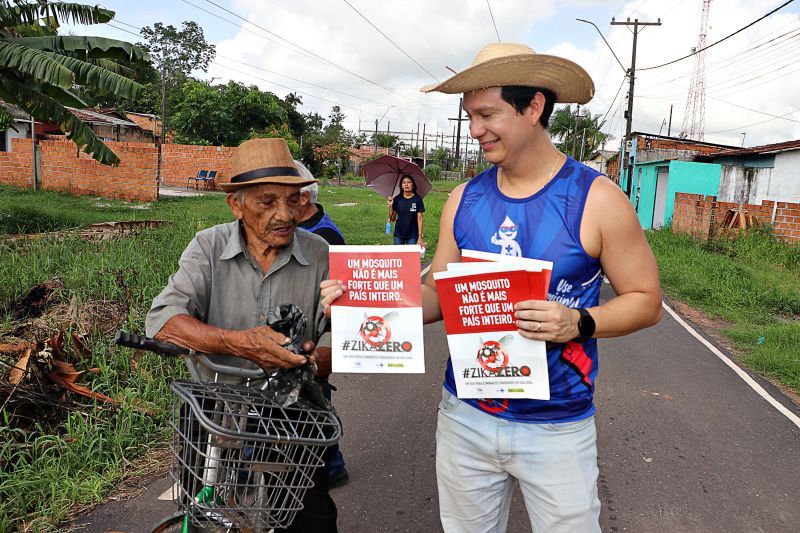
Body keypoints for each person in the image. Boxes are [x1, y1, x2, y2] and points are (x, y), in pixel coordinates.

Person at [322, 42, 662, 532]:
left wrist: (578, 321)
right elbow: (439, 293)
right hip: (465, 416)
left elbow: (646, 302)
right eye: (469, 115)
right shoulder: (464, 199)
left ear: (533, 107)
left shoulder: (597, 199)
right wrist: (356, 300)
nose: (474, 129)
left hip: (558, 426)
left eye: (486, 114)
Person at [146, 138, 338, 533]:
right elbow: (164, 318)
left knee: (308, 514)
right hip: (214, 403)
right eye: (267, 202)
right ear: (237, 204)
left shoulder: (320, 252)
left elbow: (340, 334)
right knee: (202, 507)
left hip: (292, 406)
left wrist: (313, 359)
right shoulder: (208, 246)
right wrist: (238, 343)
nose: (285, 215)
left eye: (294, 201)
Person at [295, 160, 350, 489]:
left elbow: (337, 295)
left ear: (302, 198)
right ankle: (332, 464)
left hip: (318, 334)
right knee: (314, 402)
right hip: (297, 330)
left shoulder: (325, 236)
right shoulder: (303, 228)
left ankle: (332, 466)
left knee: (316, 398)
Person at [387, 174, 425, 247]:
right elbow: (392, 219)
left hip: (412, 234)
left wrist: (420, 236)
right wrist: (390, 206)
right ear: (401, 186)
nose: (406, 184)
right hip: (399, 233)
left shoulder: (417, 199)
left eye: (409, 182)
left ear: (413, 185)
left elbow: (420, 219)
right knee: (398, 256)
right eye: (404, 183)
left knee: (410, 257)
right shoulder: (397, 199)